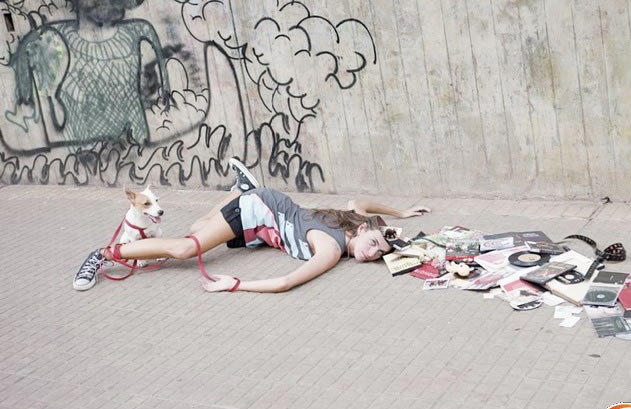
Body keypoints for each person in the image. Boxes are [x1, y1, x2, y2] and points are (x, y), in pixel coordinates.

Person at [73, 159, 430, 292]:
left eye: (378, 255)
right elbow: (286, 283)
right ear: (364, 230)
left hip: (261, 222)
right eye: (374, 243)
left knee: (198, 226)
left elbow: (357, 205)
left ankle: (241, 189)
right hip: (258, 212)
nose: (372, 254)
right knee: (184, 249)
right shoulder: (331, 248)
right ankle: (104, 254)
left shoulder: (348, 223)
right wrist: (234, 284)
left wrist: (399, 217)